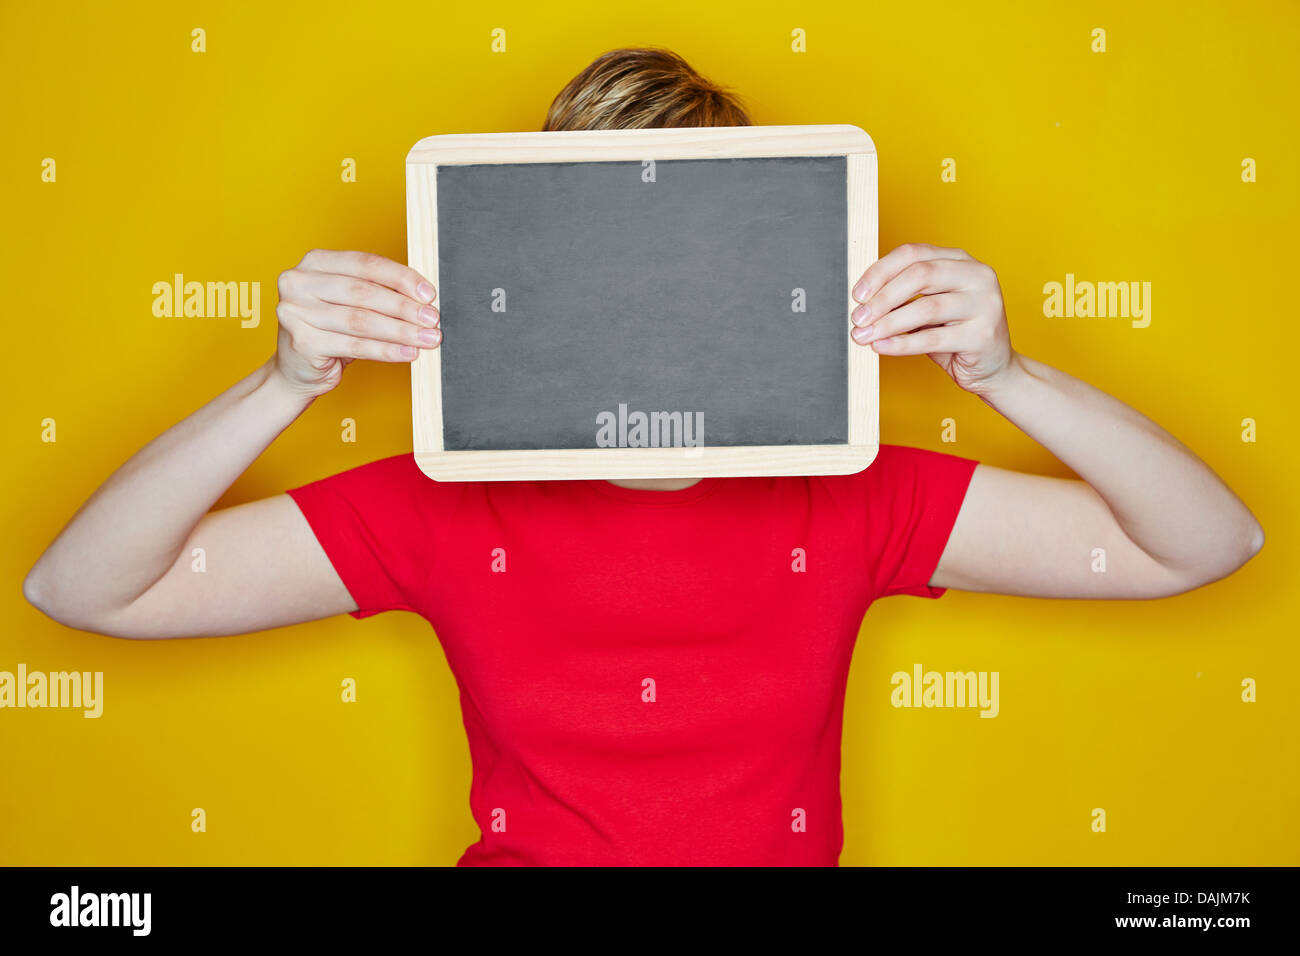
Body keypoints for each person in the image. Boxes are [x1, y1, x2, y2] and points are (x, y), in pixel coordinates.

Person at [23, 48, 1263, 866]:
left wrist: (1005, 375)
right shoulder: (448, 500)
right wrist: (281, 383)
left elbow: (1205, 542)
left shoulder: (850, 492)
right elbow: (83, 589)